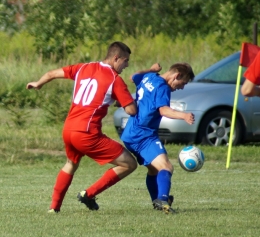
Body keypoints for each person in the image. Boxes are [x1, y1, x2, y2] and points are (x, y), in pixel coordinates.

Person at [26, 41, 137, 213]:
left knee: (71, 163)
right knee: (129, 164)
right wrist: (125, 101)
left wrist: (38, 83)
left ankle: (54, 208)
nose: (127, 65)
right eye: (125, 60)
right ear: (116, 58)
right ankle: (89, 194)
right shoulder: (115, 79)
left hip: (69, 129)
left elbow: (52, 73)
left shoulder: (83, 68)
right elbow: (131, 110)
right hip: (87, 133)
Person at [121, 62, 195, 214]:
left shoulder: (149, 77)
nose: (182, 87)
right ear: (177, 75)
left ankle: (157, 200)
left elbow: (133, 76)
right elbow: (164, 110)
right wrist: (184, 115)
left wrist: (151, 69)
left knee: (154, 170)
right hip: (144, 135)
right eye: (183, 82)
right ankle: (163, 200)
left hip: (131, 133)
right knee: (166, 167)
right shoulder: (162, 87)